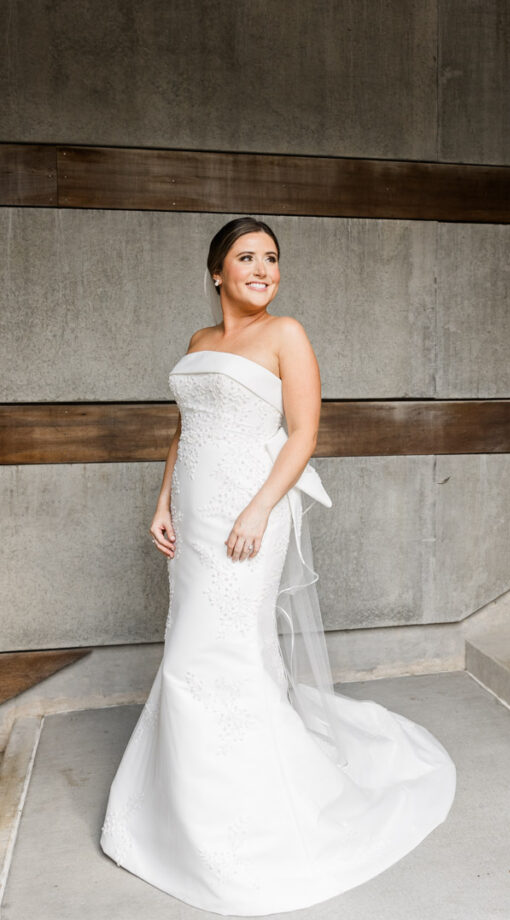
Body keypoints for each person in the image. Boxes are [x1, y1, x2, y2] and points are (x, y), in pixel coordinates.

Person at [100, 216, 456, 915]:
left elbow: (304, 433)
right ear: (217, 272)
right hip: (195, 515)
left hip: (251, 510)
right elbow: (185, 430)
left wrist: (260, 508)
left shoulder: (286, 334)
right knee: (191, 649)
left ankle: (241, 822)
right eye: (246, 257)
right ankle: (179, 812)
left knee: (218, 653)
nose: (263, 269)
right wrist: (163, 500)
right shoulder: (199, 342)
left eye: (271, 257)